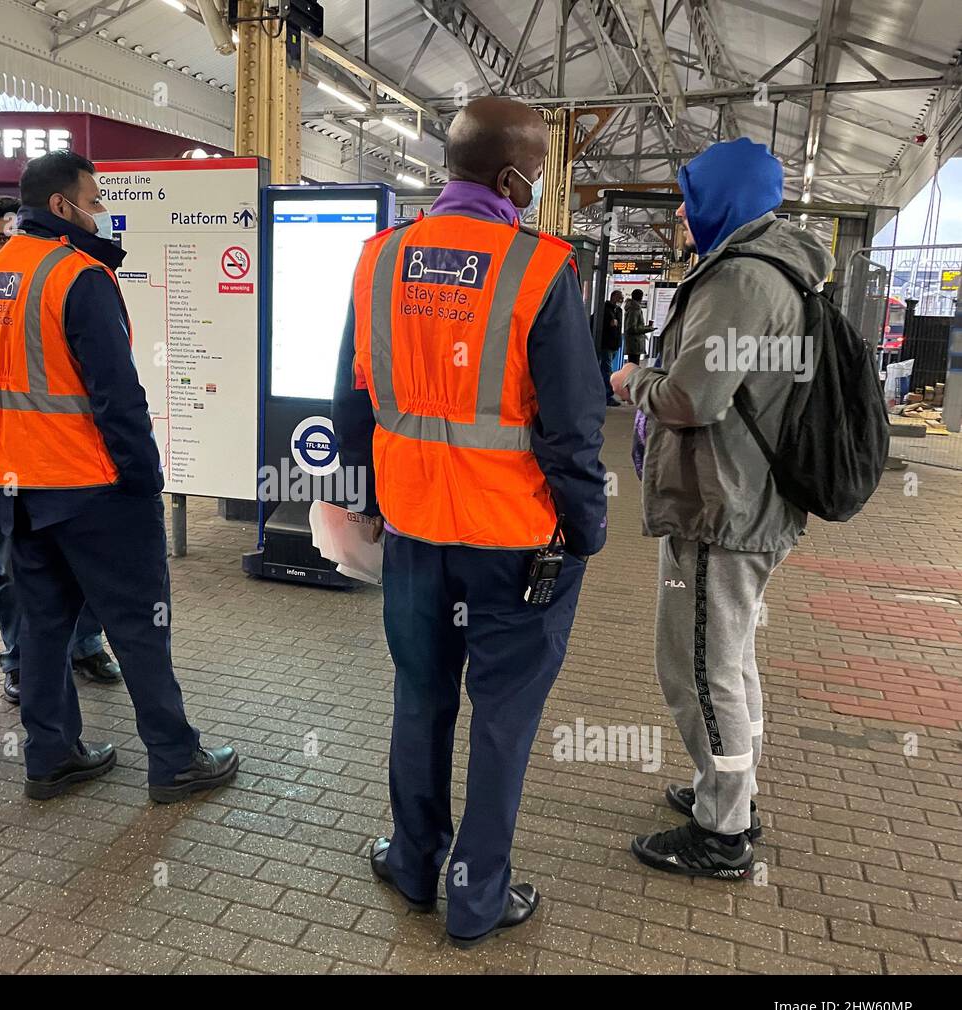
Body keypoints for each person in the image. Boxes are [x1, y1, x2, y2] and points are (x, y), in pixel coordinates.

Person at [333, 97, 607, 948]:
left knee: (419, 698)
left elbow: (352, 400)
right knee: (502, 720)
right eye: (538, 173)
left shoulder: (381, 260)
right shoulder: (539, 269)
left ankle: (414, 862)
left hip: (415, 532)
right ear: (513, 176)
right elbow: (572, 426)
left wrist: (368, 497)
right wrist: (587, 529)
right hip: (516, 545)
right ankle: (475, 897)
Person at [0, 150, 238, 802]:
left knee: (44, 625)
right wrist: (145, 476)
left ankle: (51, 754)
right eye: (94, 198)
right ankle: (175, 759)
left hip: (16, 489)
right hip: (91, 486)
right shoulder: (78, 276)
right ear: (61, 206)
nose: (101, 209)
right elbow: (118, 395)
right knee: (141, 623)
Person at [611, 137, 833, 878]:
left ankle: (722, 833)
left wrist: (634, 380)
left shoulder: (741, 278)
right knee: (730, 661)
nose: (680, 210)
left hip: (722, 508)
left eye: (690, 195)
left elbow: (689, 397)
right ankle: (732, 791)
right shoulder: (774, 268)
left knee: (695, 667)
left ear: (724, 199)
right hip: (744, 501)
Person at [0, 194, 122, 704]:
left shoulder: (57, 294)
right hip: (9, 469)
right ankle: (18, 660)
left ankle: (84, 644)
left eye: (16, 236)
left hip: (67, 461)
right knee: (12, 568)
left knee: (82, 559)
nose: (10, 248)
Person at [599, 289, 624, 405]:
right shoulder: (605, 309)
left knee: (606, 369)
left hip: (614, 344)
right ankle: (607, 395)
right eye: (619, 298)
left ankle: (603, 393)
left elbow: (618, 327)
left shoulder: (619, 311)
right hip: (606, 344)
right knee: (607, 370)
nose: (621, 300)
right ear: (613, 297)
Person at [624, 288, 655, 365]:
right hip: (635, 343)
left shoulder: (632, 307)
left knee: (632, 364)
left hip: (632, 342)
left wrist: (646, 327)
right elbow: (632, 328)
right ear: (641, 297)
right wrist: (648, 329)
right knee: (634, 365)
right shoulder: (635, 308)